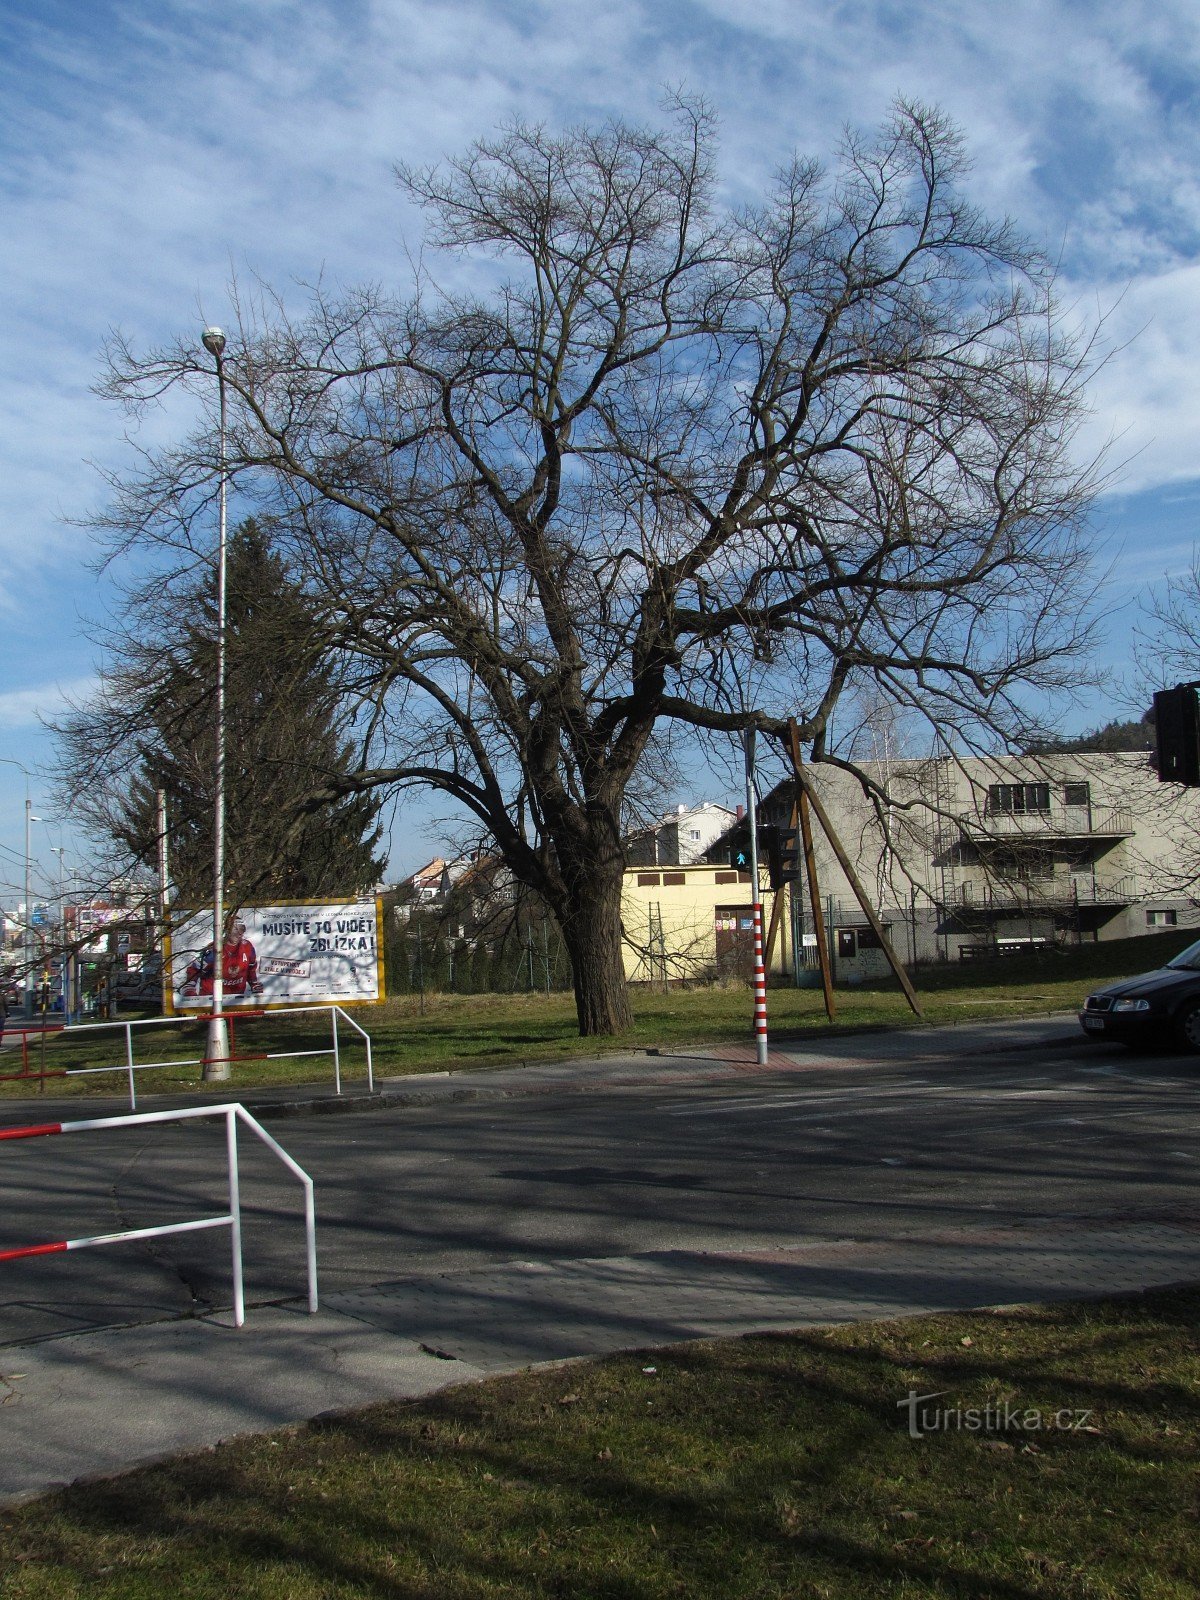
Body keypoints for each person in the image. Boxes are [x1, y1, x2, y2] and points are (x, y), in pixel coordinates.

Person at [180, 916, 264, 999]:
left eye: (242, 929)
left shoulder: (247, 947)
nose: (239, 933)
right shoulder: (215, 948)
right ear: (227, 930)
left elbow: (251, 968)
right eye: (235, 929)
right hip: (212, 999)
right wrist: (189, 988)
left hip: (235, 999)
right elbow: (195, 969)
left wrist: (254, 983)